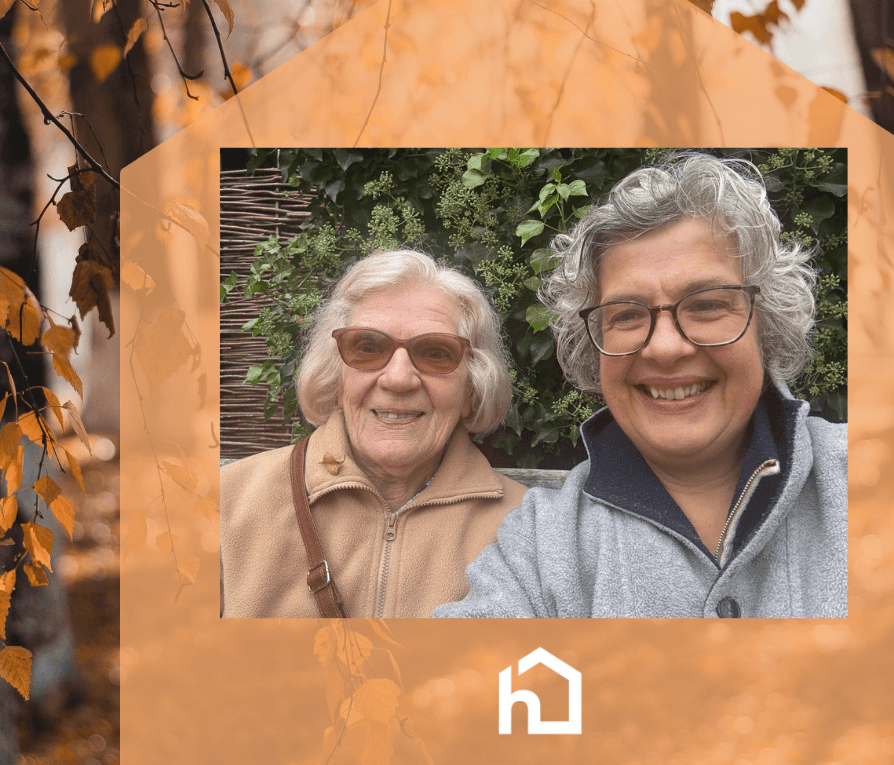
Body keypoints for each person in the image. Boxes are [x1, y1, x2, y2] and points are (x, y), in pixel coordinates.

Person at [433, 153, 847, 619]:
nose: (666, 348)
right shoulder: (542, 546)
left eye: (708, 305)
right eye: (628, 314)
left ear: (765, 325)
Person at [220, 250, 526, 617]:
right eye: (367, 347)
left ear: (472, 389)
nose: (398, 379)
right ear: (335, 375)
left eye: (434, 353)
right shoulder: (222, 503)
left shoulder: (527, 529)